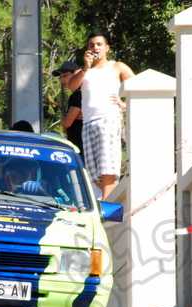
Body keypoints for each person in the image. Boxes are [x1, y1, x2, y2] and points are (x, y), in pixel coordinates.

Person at [67, 31, 135, 200]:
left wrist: (124, 104)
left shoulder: (117, 66)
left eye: (99, 44)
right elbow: (71, 86)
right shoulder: (84, 71)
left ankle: (108, 208)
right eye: (91, 45)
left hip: (108, 121)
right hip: (88, 124)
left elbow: (138, 85)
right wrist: (85, 67)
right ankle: (103, 202)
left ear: (107, 48)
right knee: (93, 173)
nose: (95, 47)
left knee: (107, 170)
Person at [52, 60, 83, 153]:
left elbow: (67, 123)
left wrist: (64, 119)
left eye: (65, 76)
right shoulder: (76, 94)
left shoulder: (79, 94)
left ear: (77, 74)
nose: (62, 80)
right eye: (60, 77)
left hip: (81, 147)